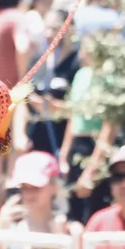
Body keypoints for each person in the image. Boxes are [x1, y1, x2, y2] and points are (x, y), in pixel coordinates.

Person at [58, 46, 115, 225]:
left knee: (93, 213)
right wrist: (64, 155)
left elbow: (109, 128)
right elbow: (73, 116)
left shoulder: (109, 76)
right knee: (73, 213)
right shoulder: (80, 74)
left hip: (97, 147)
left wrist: (91, 170)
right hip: (78, 145)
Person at [26, 9, 80, 156]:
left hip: (62, 140)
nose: (49, 34)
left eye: (55, 28)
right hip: (36, 138)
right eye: (47, 28)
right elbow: (22, 95)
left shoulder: (77, 62)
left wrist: (56, 107)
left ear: (69, 29)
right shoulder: (38, 58)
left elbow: (81, 109)